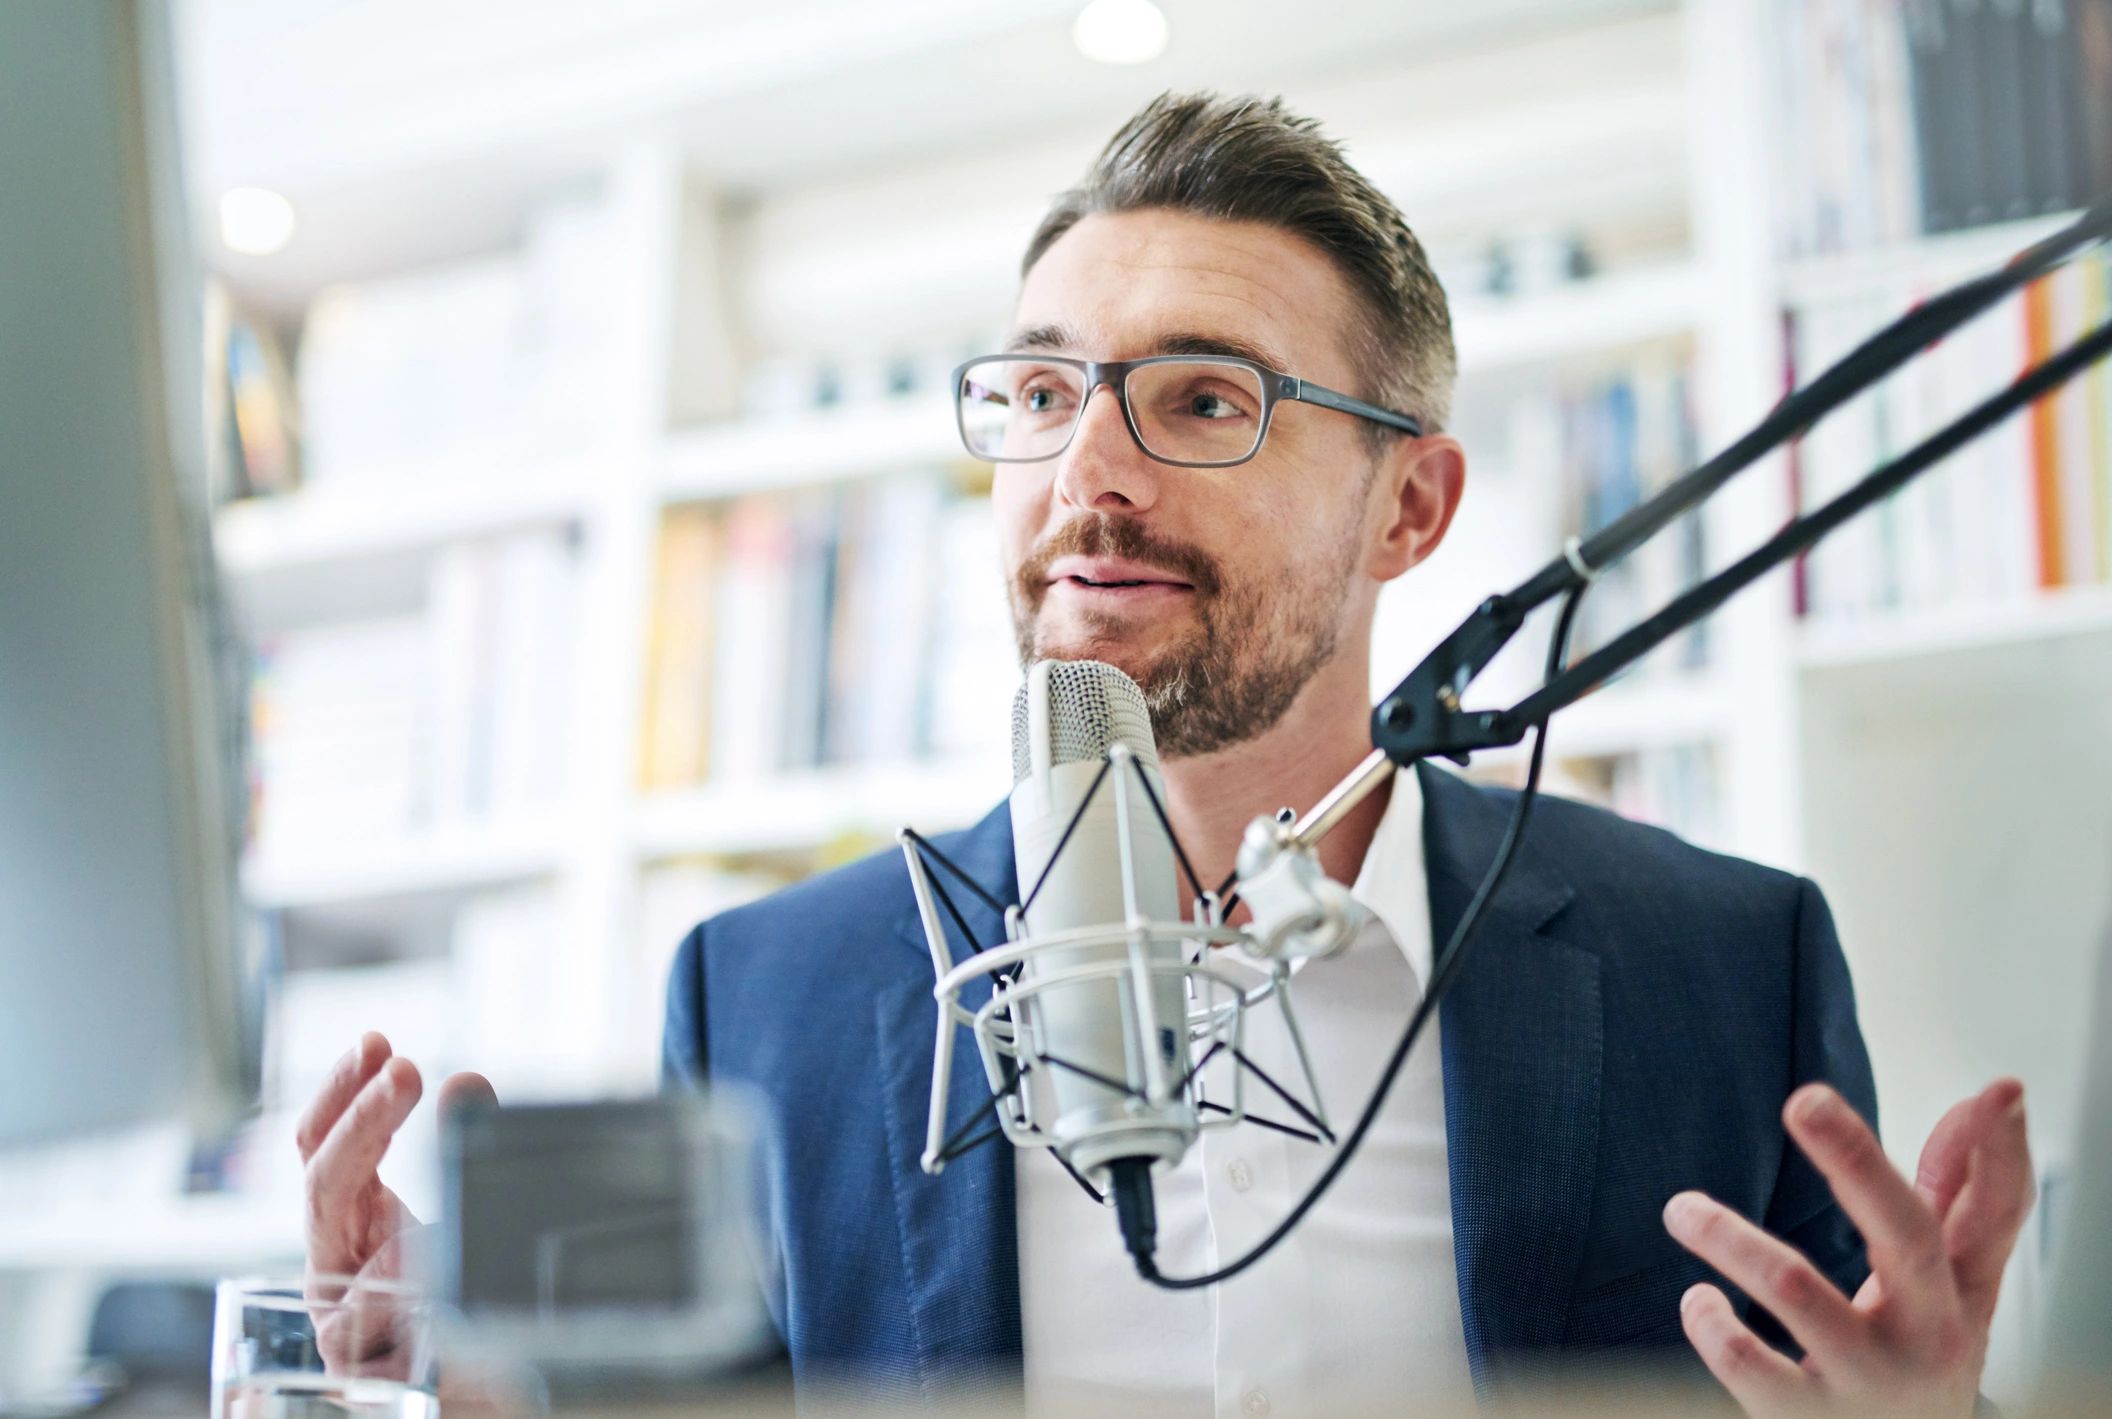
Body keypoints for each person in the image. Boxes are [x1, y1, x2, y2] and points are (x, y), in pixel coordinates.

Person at [300, 92, 2035, 1416]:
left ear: (1410, 506)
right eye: (1043, 397)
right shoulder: (761, 998)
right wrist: (473, 1385)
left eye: (1205, 400)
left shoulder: (1723, 966)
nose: (1087, 476)